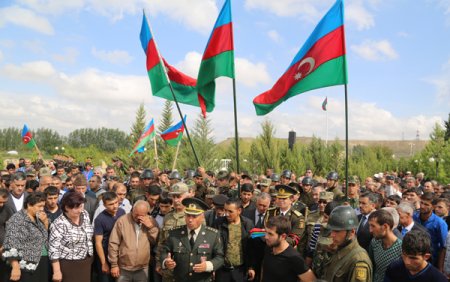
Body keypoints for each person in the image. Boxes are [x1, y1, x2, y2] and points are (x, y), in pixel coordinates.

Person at [160, 198, 224, 282]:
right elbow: (164, 251)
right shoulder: (174, 233)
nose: (190, 220)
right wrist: (166, 261)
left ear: (202, 217)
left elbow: (220, 257)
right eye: (188, 215)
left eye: (194, 216)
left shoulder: (212, 235)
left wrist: (208, 265)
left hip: (202, 279)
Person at [250, 216, 315, 282]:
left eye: (270, 234)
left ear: (283, 236)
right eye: (266, 232)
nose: (266, 237)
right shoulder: (269, 247)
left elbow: (311, 279)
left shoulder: (294, 257)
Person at [2, 192, 49, 282]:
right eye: (39, 206)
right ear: (29, 205)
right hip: (27, 265)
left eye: (43, 206)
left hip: (42, 261)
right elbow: (11, 243)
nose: (42, 209)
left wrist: (45, 222)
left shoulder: (38, 218)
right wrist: (15, 267)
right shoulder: (17, 219)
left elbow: (43, 238)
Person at [108, 200, 159, 282]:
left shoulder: (151, 221)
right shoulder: (122, 221)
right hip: (124, 268)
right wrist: (114, 265)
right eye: (136, 214)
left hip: (142, 268)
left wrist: (151, 228)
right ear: (132, 210)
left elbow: (155, 242)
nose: (138, 217)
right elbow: (113, 243)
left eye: (141, 215)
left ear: (147, 213)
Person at [49, 190, 94, 282]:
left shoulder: (85, 214)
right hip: (68, 264)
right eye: (76, 207)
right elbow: (53, 249)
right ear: (67, 207)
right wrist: (57, 271)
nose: (80, 210)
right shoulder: (59, 224)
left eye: (81, 206)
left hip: (86, 262)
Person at [321, 205, 372, 282]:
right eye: (332, 230)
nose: (332, 235)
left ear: (351, 232)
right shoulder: (339, 248)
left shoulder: (359, 261)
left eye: (337, 231)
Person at [213, 199, 254, 282]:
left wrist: (251, 267)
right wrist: (213, 266)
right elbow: (212, 246)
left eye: (230, 211)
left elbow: (252, 248)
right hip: (222, 270)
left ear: (239, 211)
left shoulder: (248, 224)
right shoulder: (218, 223)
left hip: (240, 271)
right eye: (225, 210)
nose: (227, 214)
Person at [94, 192, 126, 282]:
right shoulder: (100, 219)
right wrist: (103, 263)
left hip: (120, 255)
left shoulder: (122, 212)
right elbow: (98, 243)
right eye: (111, 204)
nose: (115, 206)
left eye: (116, 202)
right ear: (104, 205)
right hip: (105, 255)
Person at [413, 192, 448, 266]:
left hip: (430, 260)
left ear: (433, 207)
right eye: (421, 203)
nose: (422, 206)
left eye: (426, 204)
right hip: (413, 255)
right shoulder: (414, 217)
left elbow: (443, 248)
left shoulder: (440, 223)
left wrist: (440, 268)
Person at [367, 209, 402, 282]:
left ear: (385, 226)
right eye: (370, 226)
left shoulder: (401, 248)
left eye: (373, 226)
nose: (370, 230)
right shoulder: (374, 242)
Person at [0, 188, 14, 281]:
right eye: (0, 202)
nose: (1, 205)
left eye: (4, 202)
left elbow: (10, 228)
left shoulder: (6, 209)